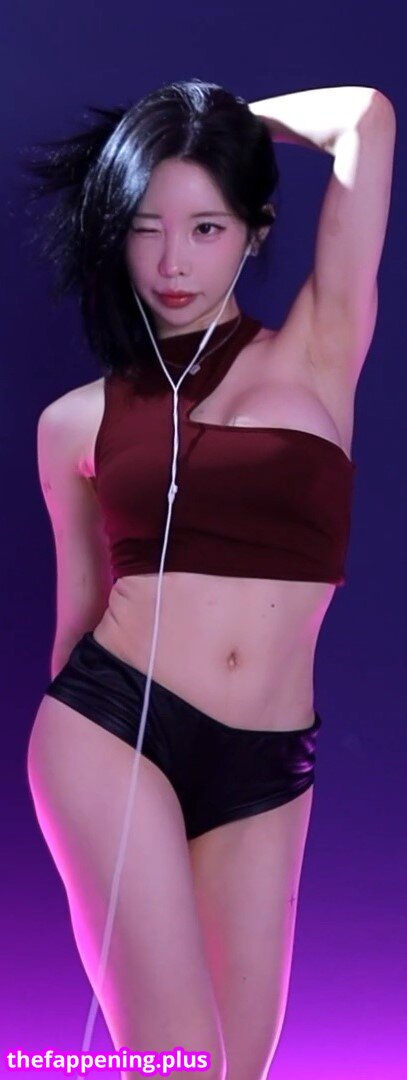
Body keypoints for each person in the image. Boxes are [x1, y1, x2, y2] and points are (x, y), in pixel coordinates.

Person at [24, 79, 396, 1080]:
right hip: (111, 727)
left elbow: (363, 118)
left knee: (238, 1067)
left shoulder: (319, 352)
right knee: (178, 1061)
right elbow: (76, 616)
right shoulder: (72, 424)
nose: (172, 263)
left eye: (205, 227)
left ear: (254, 229)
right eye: (145, 229)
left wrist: (211, 124)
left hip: (265, 764)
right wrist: (74, 800)